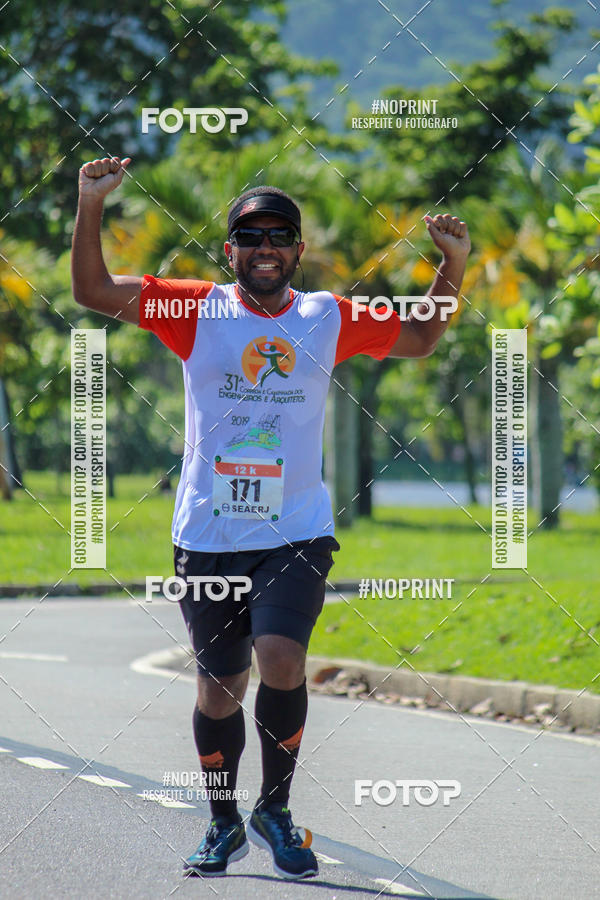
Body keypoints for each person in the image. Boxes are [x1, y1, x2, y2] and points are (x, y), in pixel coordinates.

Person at [71, 156, 471, 881]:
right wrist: (89, 203)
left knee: (281, 658)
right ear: (230, 252)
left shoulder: (327, 316)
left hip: (297, 533)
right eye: (249, 238)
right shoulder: (193, 308)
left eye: (278, 238)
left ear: (297, 252)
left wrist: (454, 266)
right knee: (218, 688)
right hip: (208, 535)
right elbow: (92, 291)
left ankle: (276, 811)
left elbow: (421, 338)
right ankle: (225, 823)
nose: (264, 250)